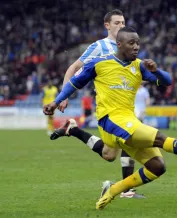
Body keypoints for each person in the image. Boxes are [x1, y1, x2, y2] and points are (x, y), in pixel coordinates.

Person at [43, 27, 177, 210]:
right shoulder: (99, 63)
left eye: (138, 43)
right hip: (110, 120)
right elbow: (74, 83)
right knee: (160, 139)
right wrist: (56, 101)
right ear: (119, 44)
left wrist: (156, 71)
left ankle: (114, 189)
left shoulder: (140, 66)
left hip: (128, 121)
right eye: (131, 43)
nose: (136, 47)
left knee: (157, 167)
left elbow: (167, 82)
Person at [55, 9, 143, 198]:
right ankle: (126, 190)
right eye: (117, 23)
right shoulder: (99, 47)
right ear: (107, 25)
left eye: (123, 22)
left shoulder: (127, 46)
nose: (121, 25)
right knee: (130, 139)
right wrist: (63, 95)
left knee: (109, 155)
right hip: (108, 106)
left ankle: (74, 130)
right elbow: (74, 67)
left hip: (124, 104)